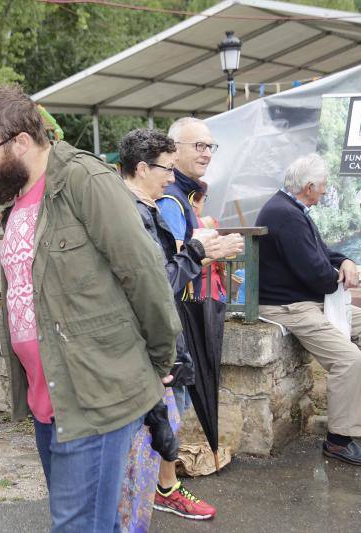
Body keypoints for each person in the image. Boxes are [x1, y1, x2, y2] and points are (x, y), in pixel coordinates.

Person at [0, 85, 181, 532]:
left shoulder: (84, 180)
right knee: (89, 523)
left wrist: (160, 359)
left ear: (20, 142)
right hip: (49, 395)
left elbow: (144, 273)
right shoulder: (19, 197)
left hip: (95, 392)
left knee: (77, 526)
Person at [119, 128, 243, 521]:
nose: (172, 178)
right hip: (145, 351)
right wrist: (201, 252)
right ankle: (153, 500)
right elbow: (156, 284)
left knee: (162, 428)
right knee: (146, 446)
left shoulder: (143, 207)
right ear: (142, 168)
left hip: (153, 345)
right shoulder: (134, 213)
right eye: (166, 169)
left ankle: (159, 494)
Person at [256, 153, 361, 467]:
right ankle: (339, 441)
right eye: (322, 187)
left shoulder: (290, 208)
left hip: (303, 298)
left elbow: (321, 251)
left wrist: (345, 261)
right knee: (347, 360)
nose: (324, 192)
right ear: (308, 187)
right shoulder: (287, 214)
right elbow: (317, 275)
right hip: (288, 305)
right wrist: (340, 275)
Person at [153, 117, 240, 519]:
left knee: (174, 402)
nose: (206, 152)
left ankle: (157, 482)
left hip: (178, 313)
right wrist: (210, 252)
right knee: (172, 403)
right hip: (175, 318)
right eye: (198, 146)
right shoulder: (171, 200)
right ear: (174, 150)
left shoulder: (182, 196)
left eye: (210, 146)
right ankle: (164, 487)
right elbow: (167, 269)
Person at [190, 183, 227, 302]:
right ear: (195, 201)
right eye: (203, 198)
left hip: (187, 289)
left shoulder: (178, 225)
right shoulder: (209, 223)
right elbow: (220, 260)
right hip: (211, 286)